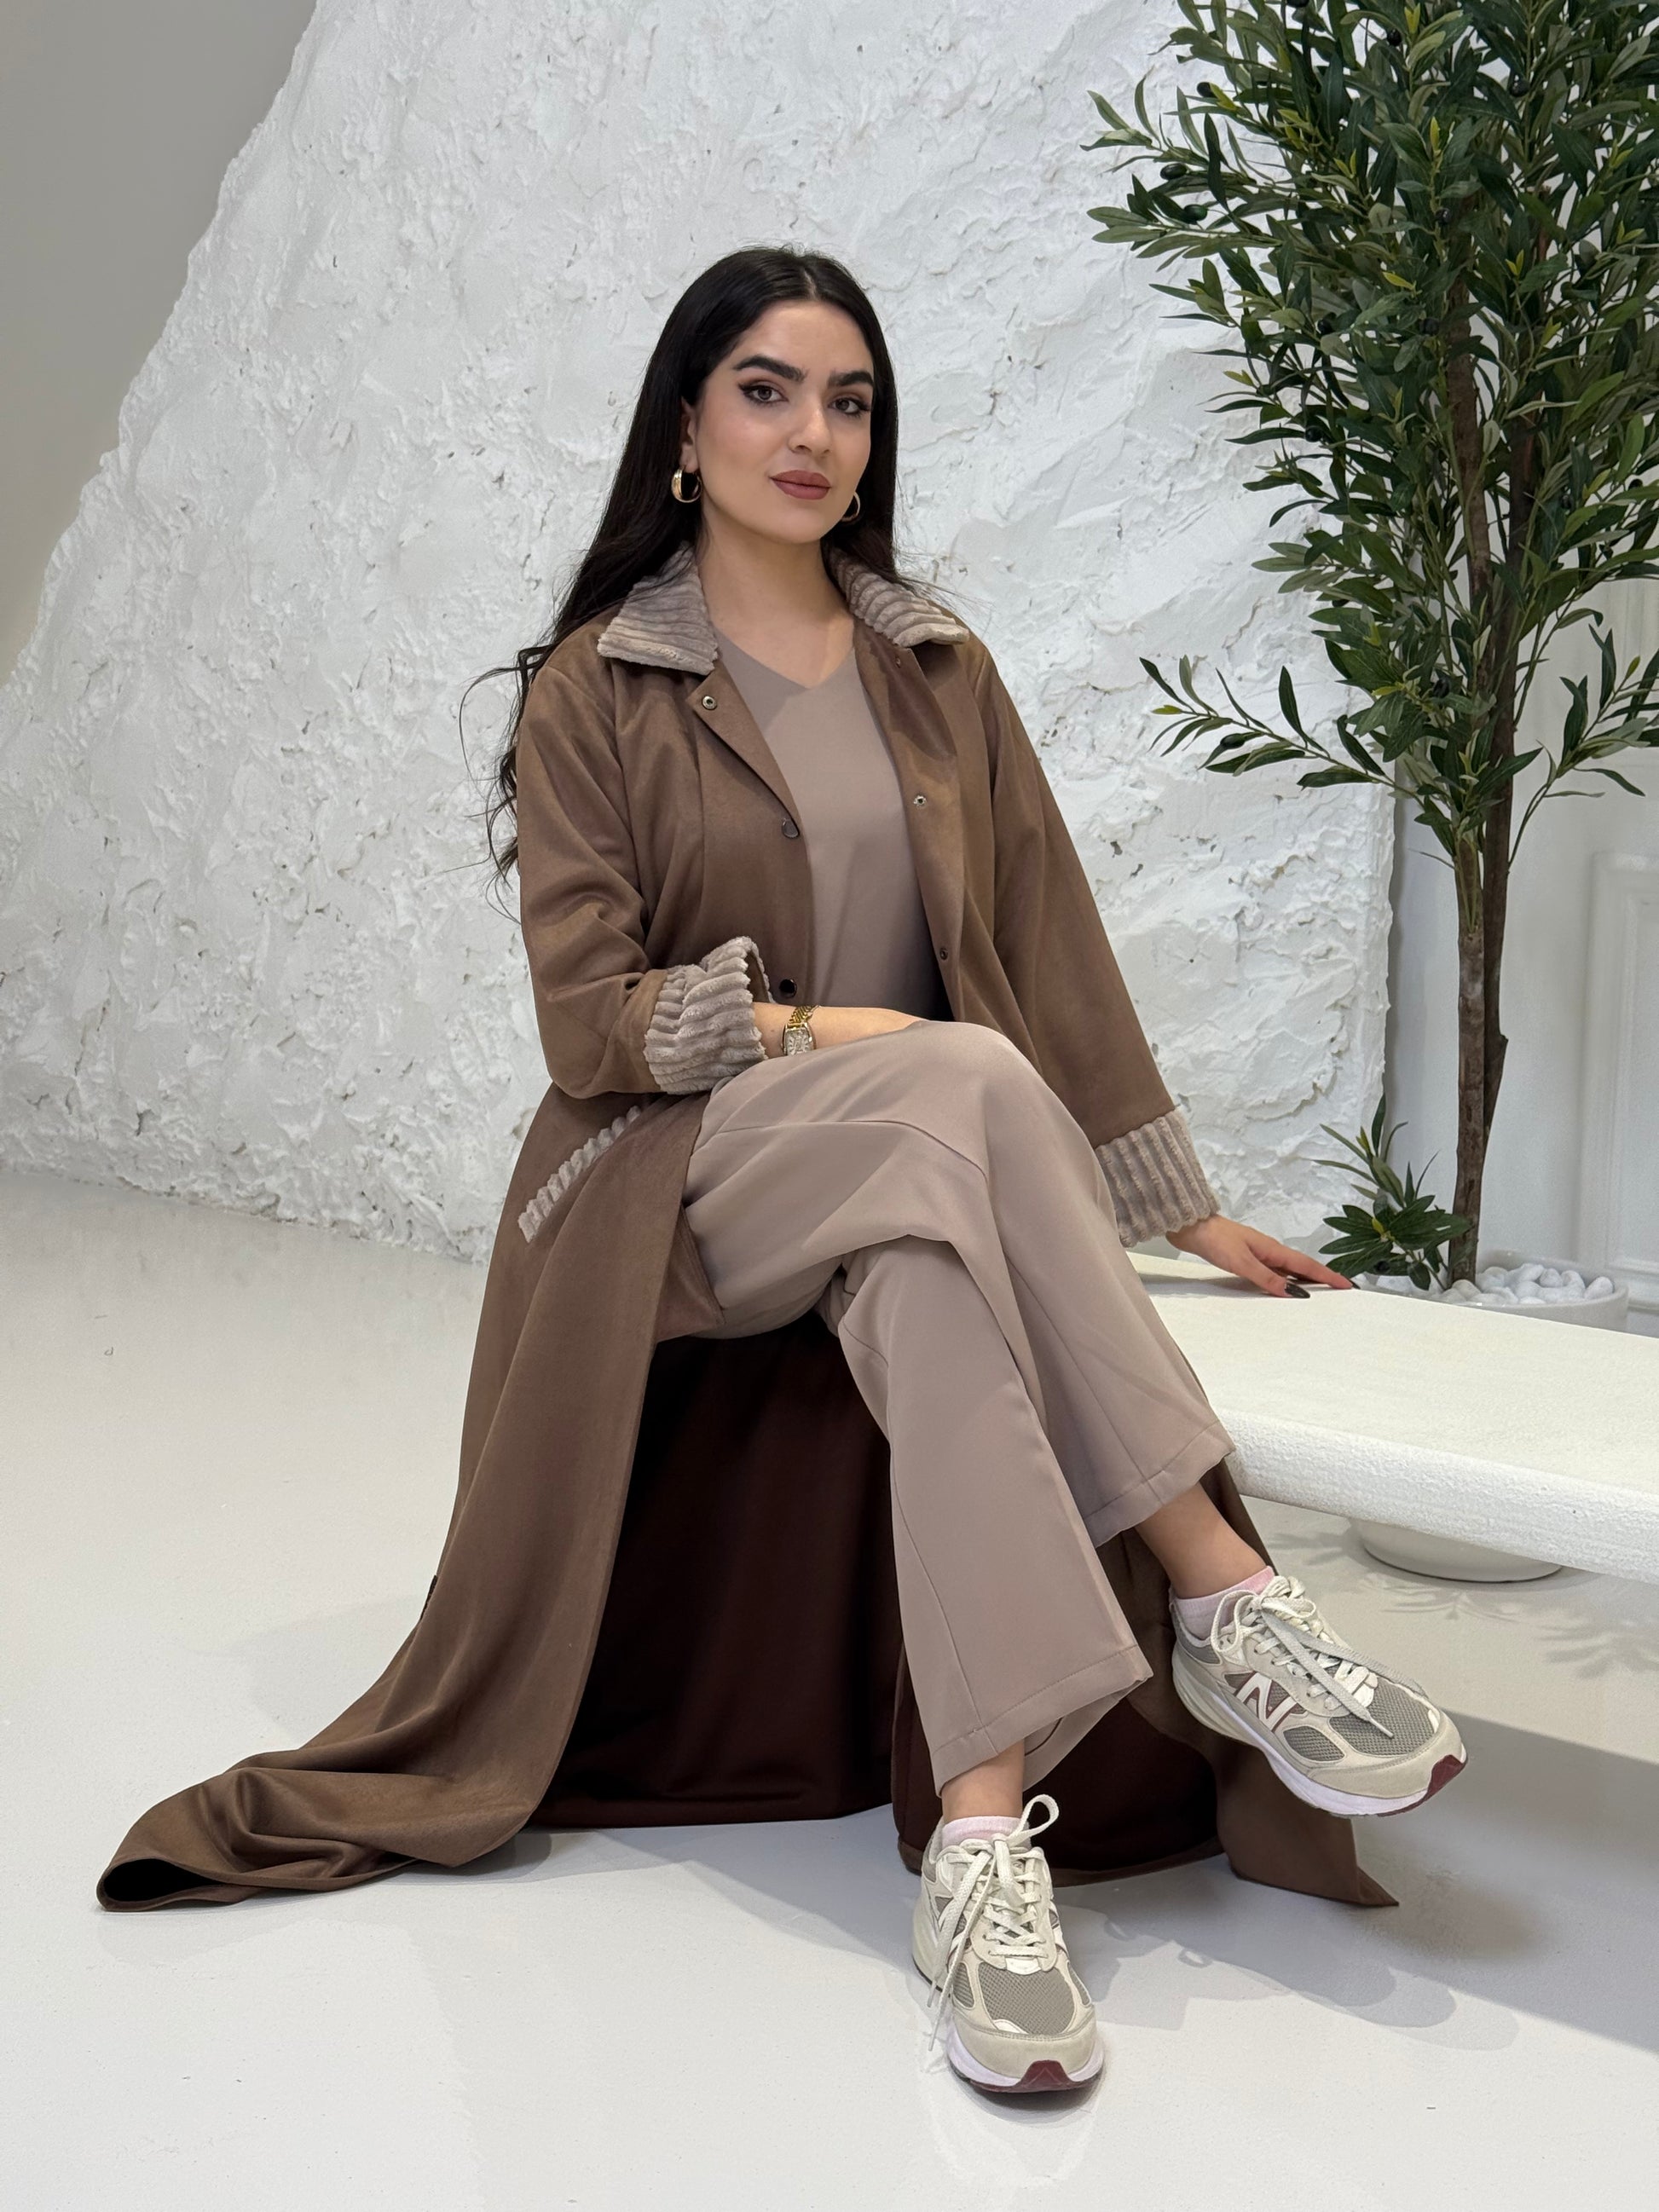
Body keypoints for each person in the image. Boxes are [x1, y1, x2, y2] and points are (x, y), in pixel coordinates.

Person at [95, 245, 1464, 2101]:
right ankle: (1224, 1589)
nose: (811, 432)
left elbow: (1050, 937)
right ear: (683, 423)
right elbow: (588, 1023)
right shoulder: (599, 684)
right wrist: (842, 1035)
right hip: (659, 1182)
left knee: (927, 1272)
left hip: (911, 1170)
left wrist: (1177, 1201)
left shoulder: (932, 665)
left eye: (849, 398)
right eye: (765, 388)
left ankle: (979, 1847)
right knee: (955, 1079)